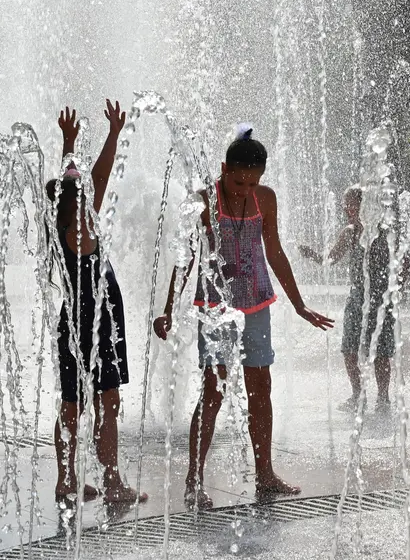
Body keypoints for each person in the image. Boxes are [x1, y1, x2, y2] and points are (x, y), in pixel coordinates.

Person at [152, 125, 334, 510]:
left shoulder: (265, 200)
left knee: (260, 389)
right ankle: (194, 479)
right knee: (213, 392)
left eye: (252, 183)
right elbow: (184, 261)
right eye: (238, 181)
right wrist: (168, 309)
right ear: (223, 168)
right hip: (215, 309)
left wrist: (299, 305)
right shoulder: (204, 201)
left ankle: (265, 473)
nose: (244, 190)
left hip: (257, 305)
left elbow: (276, 253)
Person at [48, 102, 146, 508]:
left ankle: (67, 481)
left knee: (73, 402)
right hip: (98, 324)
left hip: (75, 320)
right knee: (107, 403)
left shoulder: (62, 222)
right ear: (80, 201)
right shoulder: (82, 226)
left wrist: (69, 143)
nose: (93, 193)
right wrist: (113, 136)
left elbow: (72, 184)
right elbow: (98, 179)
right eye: (86, 193)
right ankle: (112, 483)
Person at [299, 185, 410, 414]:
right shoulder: (350, 232)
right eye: (345, 203)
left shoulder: (386, 230)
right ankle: (358, 395)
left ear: (364, 205)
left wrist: (396, 288)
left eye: (350, 202)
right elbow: (330, 260)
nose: (345, 207)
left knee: (381, 350)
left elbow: (408, 264)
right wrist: (312, 255)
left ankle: (383, 398)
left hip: (382, 299)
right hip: (357, 297)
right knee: (349, 348)